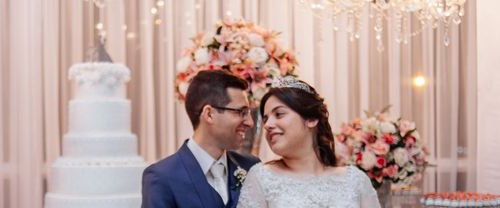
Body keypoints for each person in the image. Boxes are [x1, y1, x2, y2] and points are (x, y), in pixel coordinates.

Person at [237, 76, 380, 208]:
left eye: (279, 114)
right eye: (265, 119)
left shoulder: (355, 181)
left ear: (311, 119)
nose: (267, 125)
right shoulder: (261, 177)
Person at [141, 70, 260, 207]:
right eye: (241, 112)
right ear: (209, 114)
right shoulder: (162, 177)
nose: (250, 122)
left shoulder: (251, 166)